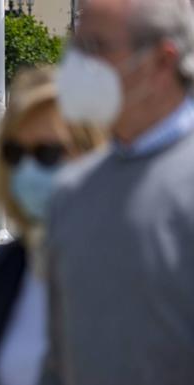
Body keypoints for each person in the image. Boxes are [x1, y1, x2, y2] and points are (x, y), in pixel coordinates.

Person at [42, 1, 194, 384]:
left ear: (161, 61)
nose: (78, 68)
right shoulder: (73, 191)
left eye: (96, 48)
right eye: (75, 50)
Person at [0, 68, 104, 385]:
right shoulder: (7, 266)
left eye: (48, 153)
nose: (28, 169)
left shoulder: (140, 262)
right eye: (15, 153)